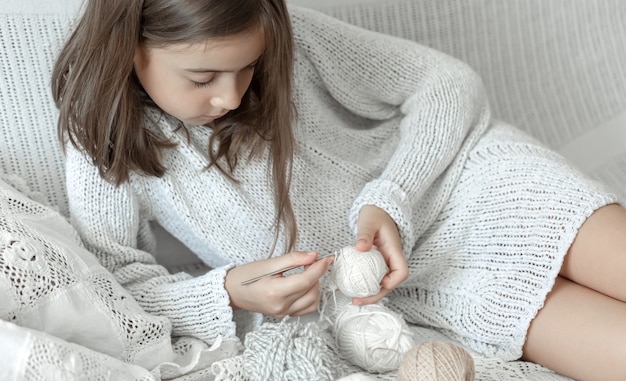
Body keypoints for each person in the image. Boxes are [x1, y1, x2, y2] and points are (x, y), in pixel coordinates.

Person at [51, 0, 626, 380]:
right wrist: (228, 291)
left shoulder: (288, 36)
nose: (230, 97)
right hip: (421, 287)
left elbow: (445, 83)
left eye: (247, 68)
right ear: (130, 48)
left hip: (476, 185)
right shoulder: (106, 146)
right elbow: (115, 286)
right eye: (202, 79)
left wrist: (391, 195)